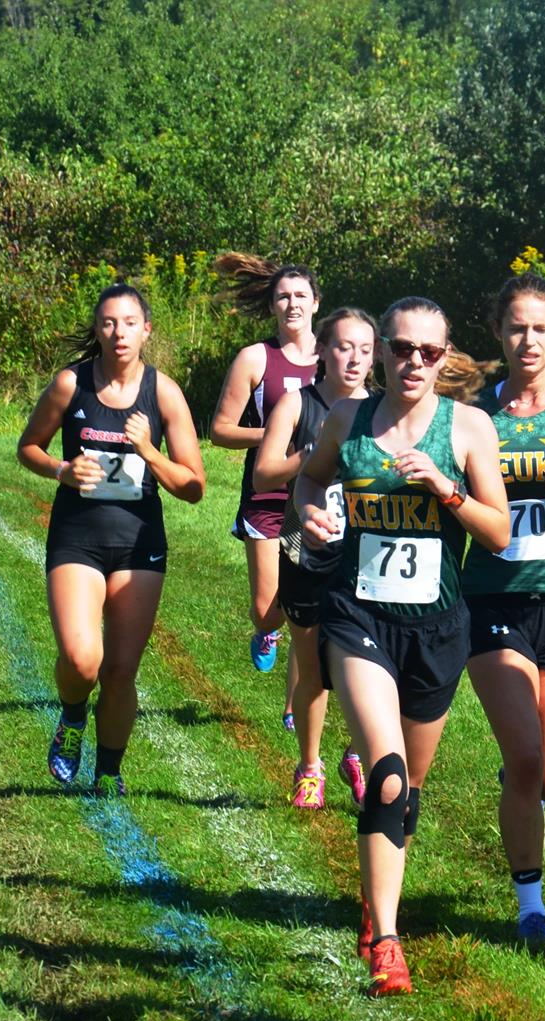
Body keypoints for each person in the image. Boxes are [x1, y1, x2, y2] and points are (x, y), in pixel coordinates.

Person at [294, 298, 508, 995]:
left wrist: (447, 489)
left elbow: (498, 533)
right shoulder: (347, 419)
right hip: (358, 617)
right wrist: (309, 513)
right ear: (382, 350)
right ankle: (387, 941)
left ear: (445, 358)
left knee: (406, 795)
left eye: (429, 352)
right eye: (402, 348)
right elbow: (310, 478)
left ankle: (374, 902)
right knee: (384, 774)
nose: (414, 361)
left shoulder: (468, 428)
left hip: (438, 629)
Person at [15, 282, 206, 795]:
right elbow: (28, 447)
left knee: (120, 671)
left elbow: (194, 487)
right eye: (108, 323)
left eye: (129, 323)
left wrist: (149, 451)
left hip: (138, 544)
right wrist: (61, 470)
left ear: (147, 331)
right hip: (77, 538)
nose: (119, 332)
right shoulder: (69, 384)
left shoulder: (163, 393)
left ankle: (108, 773)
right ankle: (72, 715)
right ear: (98, 330)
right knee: (82, 660)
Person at [460, 276, 545, 950]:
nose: (528, 340)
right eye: (516, 327)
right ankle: (530, 908)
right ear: (498, 332)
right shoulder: (474, 414)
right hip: (495, 598)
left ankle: (520, 778)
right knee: (530, 758)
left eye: (541, 328)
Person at [251, 307, 377, 809]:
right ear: (322, 350)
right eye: (344, 347)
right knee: (313, 669)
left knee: (378, 664)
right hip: (304, 549)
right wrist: (310, 458)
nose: (355, 359)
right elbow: (263, 475)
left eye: (365, 350)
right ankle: (309, 767)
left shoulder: (384, 410)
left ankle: (357, 754)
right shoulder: (296, 403)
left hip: (366, 554)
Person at [209, 253, 320, 709]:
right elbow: (220, 430)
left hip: (318, 496)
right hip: (268, 492)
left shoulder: (336, 357)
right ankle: (267, 632)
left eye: (301, 296)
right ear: (273, 305)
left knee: (309, 607)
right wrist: (277, 435)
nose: (293, 304)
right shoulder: (256, 358)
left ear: (316, 303)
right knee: (267, 609)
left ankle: (296, 706)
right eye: (283, 297)